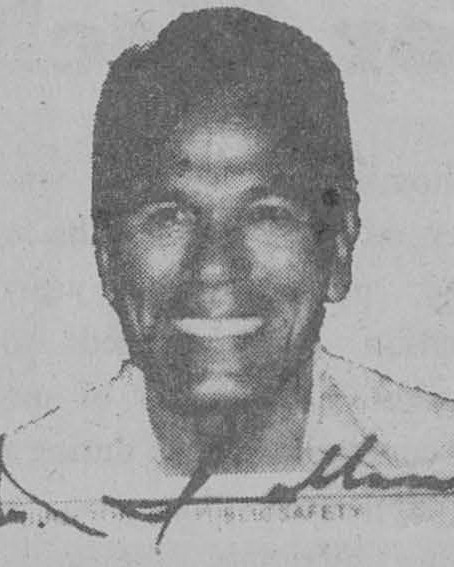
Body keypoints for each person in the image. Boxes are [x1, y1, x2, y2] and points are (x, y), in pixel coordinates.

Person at [2, 7, 454, 541]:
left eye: (267, 215)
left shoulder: (439, 466)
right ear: (107, 259)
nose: (214, 267)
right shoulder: (23, 487)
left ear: (338, 246)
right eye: (168, 216)